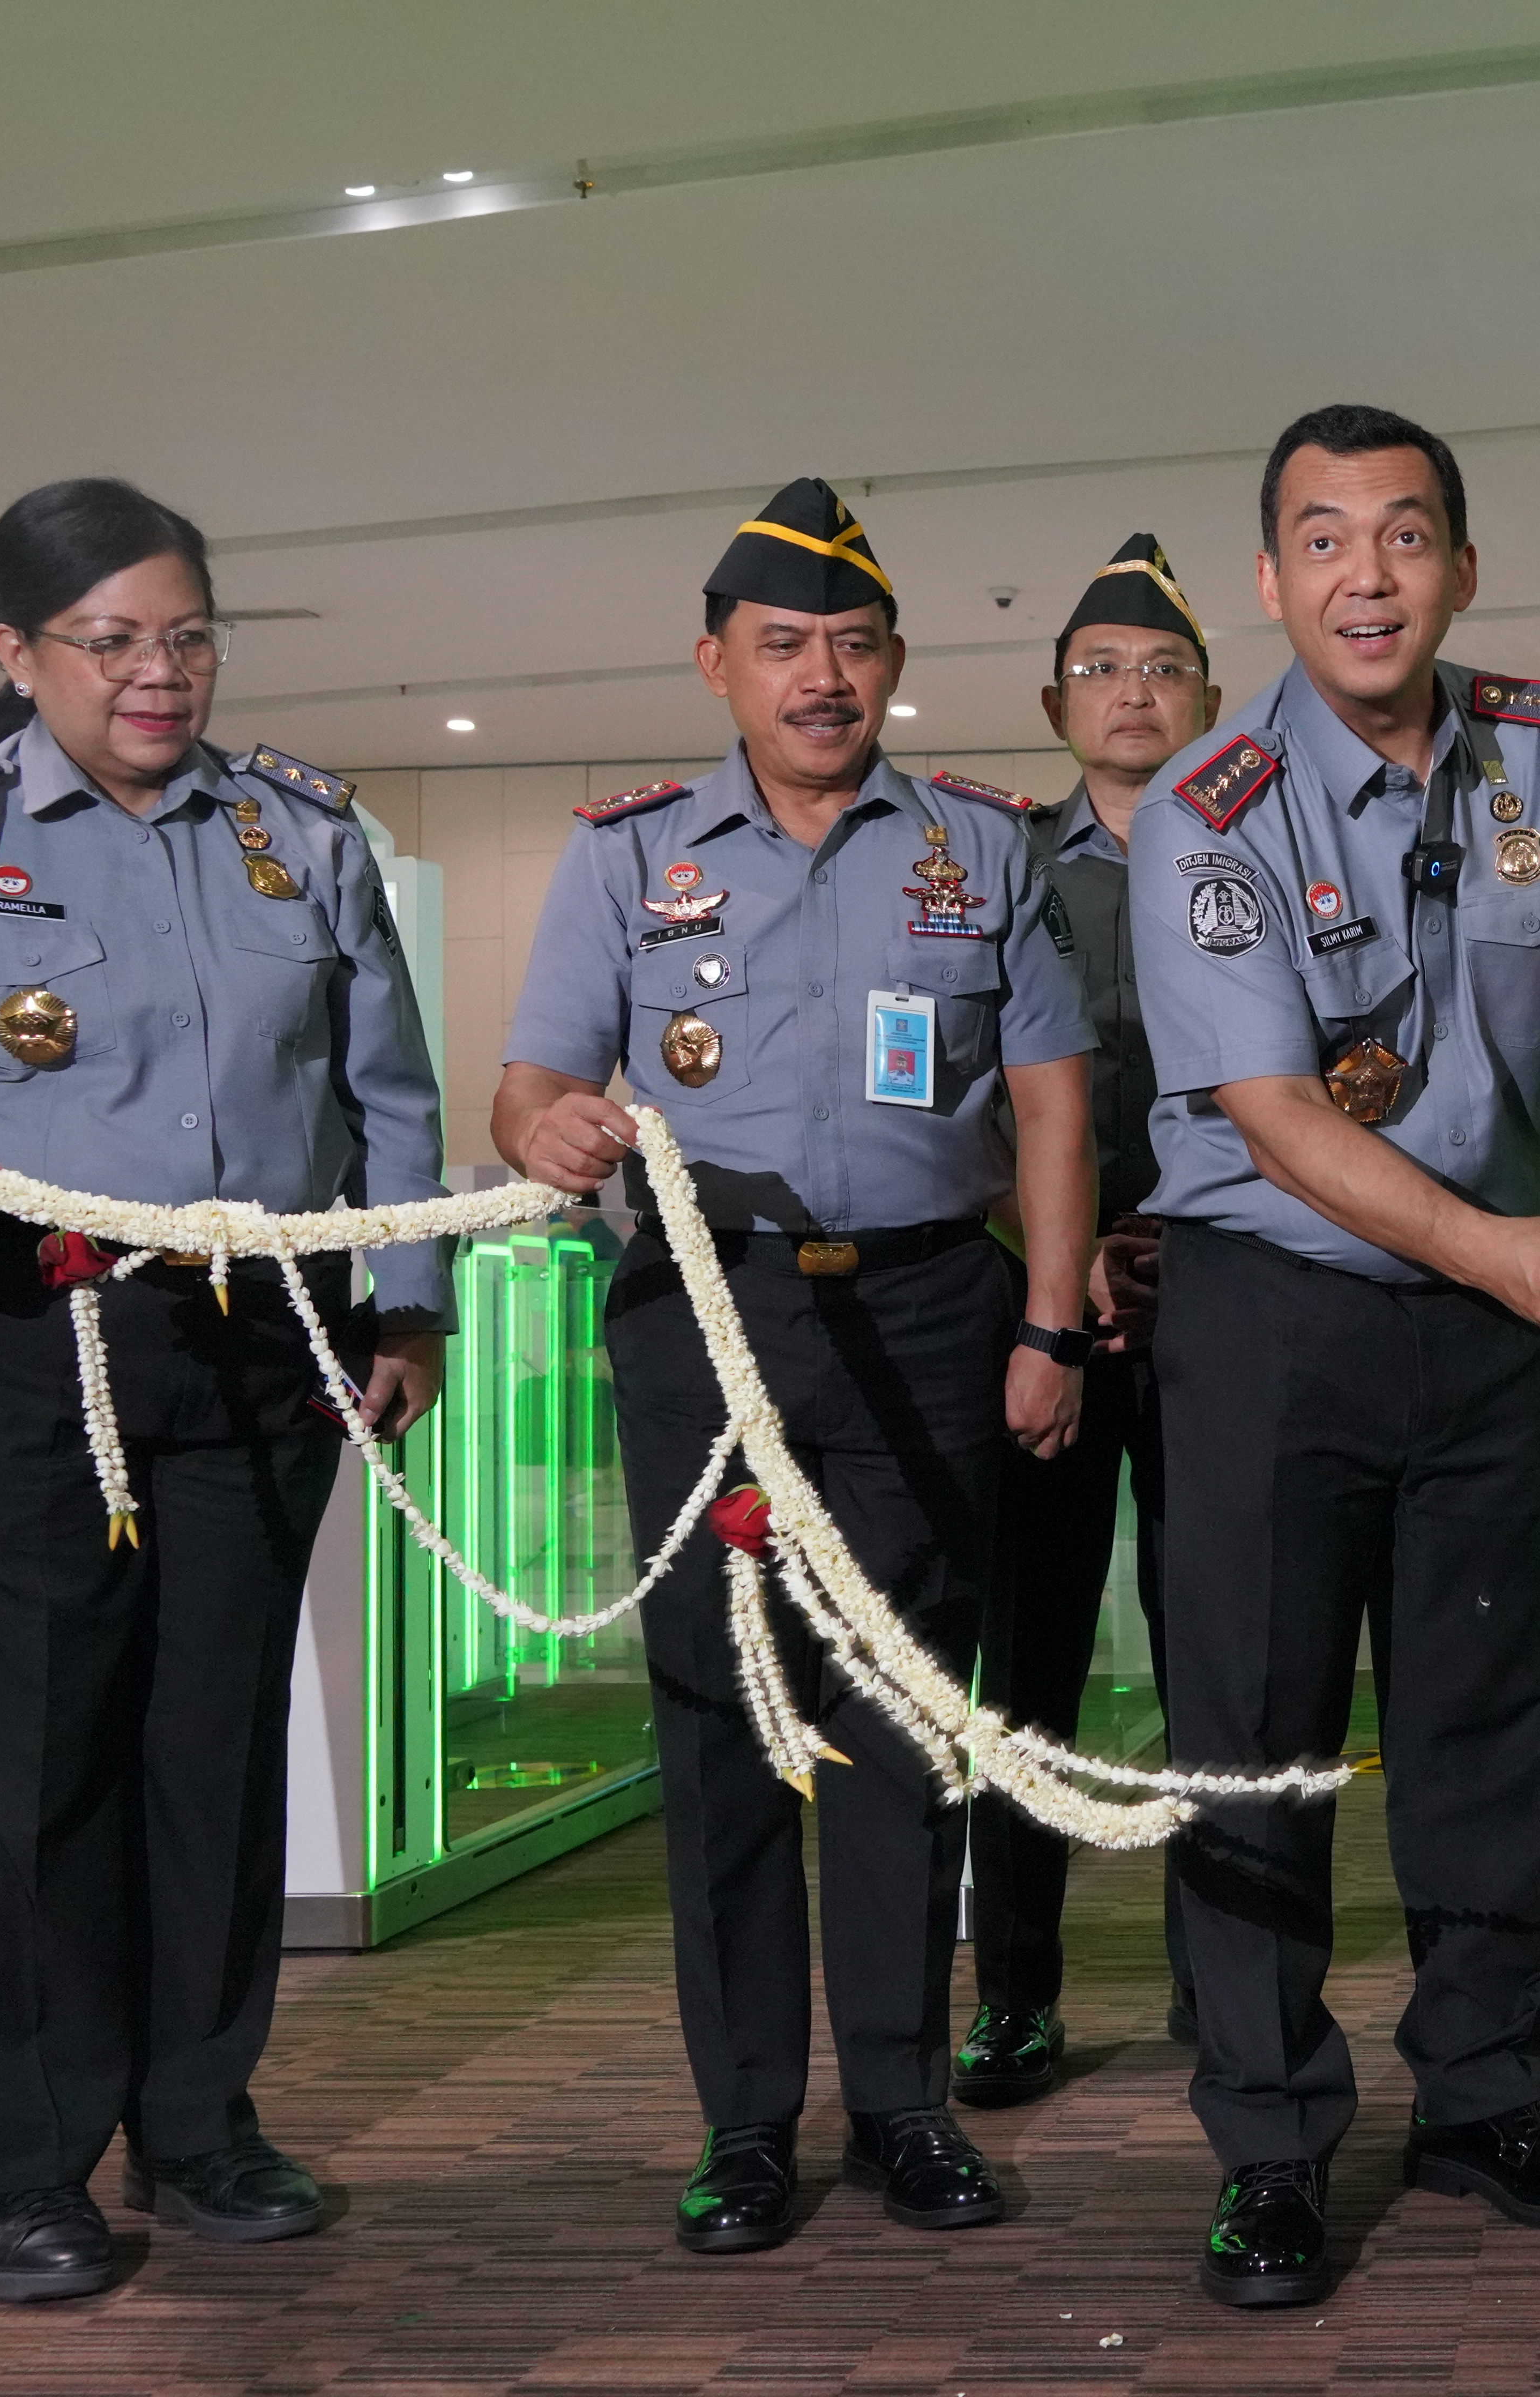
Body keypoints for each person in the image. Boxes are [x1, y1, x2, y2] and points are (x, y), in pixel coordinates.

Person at [0, 478, 451, 2303]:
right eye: (113, 640)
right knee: (32, 1754)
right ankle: (24, 2161)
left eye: (188, 636)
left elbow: (388, 1094)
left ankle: (199, 2120)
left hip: (260, 1337)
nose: (160, 674)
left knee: (213, 1745)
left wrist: (410, 1310)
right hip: (14, 1338)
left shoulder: (302, 832)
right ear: (18, 650)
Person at [1127, 403, 1540, 2308]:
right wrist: (1503, 1249)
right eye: (1323, 539)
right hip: (1274, 1314)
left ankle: (1483, 2095)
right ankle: (1270, 2142)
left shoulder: (1535, 747)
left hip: (1480, 1315)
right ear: (1269, 578)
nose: (1365, 576)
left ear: (1463, 566)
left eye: (1402, 536)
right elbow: (1278, 1117)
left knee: (1482, 1723)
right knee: (1257, 1735)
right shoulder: (1206, 806)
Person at [494, 480, 1097, 2257]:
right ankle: (747, 2123)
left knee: (907, 1712)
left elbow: (1055, 1107)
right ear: (717, 666)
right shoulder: (627, 857)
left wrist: (1050, 1323)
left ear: (894, 663)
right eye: (782, 646)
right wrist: (547, 1130)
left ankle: (903, 2105)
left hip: (929, 1315)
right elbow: (530, 1083)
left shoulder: (983, 847)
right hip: (704, 1317)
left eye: (850, 645)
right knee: (724, 1719)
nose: (820, 677)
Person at [950, 533, 1219, 2107]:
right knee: (1027, 1663)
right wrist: (1055, 1255)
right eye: (1102, 670)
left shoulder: (1257, 860)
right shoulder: (994, 869)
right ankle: (1016, 1992)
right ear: (1056, 704)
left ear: (1210, 699)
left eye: (1164, 668)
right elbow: (955, 1097)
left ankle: (1217, 1977)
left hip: (1221, 1306)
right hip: (1040, 1319)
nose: (1133, 692)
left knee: (1225, 1662)